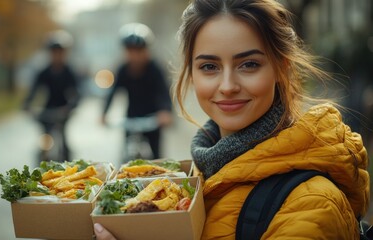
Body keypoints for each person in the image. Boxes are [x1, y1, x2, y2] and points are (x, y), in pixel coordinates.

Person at [94, 0, 370, 239]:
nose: (227, 85)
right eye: (209, 67)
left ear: (280, 68)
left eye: (249, 64)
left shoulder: (311, 203)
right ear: (192, 74)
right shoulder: (200, 174)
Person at [101, 23, 173, 163]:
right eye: (130, 50)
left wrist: (165, 111)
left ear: (146, 50)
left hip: (153, 119)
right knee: (125, 161)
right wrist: (104, 113)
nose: (134, 55)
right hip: (131, 118)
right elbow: (112, 92)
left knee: (158, 160)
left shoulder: (155, 69)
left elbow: (164, 92)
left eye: (138, 50)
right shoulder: (123, 69)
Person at [23, 30, 80, 164]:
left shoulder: (69, 72)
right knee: (44, 141)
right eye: (54, 52)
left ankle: (68, 168)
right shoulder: (44, 72)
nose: (57, 55)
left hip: (63, 110)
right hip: (47, 110)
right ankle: (41, 165)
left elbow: (76, 93)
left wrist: (71, 106)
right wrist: (27, 104)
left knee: (64, 143)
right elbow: (34, 90)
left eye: (60, 52)